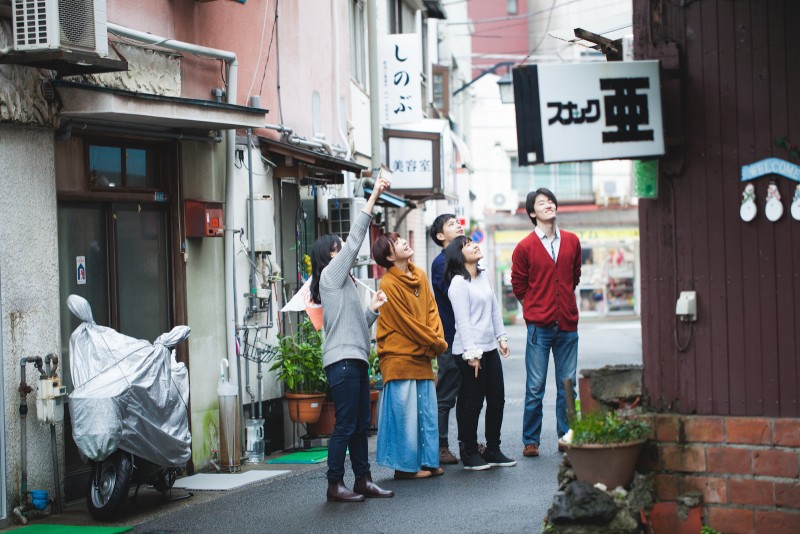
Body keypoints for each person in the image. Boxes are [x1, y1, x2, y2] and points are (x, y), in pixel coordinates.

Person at [311, 175, 394, 503]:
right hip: (342, 363)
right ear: (328, 257)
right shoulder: (331, 276)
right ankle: (334, 485)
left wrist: (371, 311)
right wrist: (373, 194)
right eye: (336, 250)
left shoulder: (344, 285)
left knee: (360, 424)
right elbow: (357, 237)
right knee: (346, 425)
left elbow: (354, 325)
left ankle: (363, 479)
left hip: (355, 359)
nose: (343, 254)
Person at [510, 188, 582, 458]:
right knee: (535, 387)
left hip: (567, 325)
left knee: (568, 385)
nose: (549, 205)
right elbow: (518, 284)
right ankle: (531, 440)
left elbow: (574, 276)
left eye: (550, 201)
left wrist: (562, 302)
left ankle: (567, 436)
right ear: (532, 212)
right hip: (539, 327)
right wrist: (533, 307)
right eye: (542, 203)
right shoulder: (525, 247)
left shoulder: (572, 241)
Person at [372, 232, 448, 479]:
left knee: (426, 411)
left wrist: (435, 341)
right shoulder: (387, 284)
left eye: (402, 238)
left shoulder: (421, 275)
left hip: (423, 353)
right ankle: (405, 468)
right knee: (404, 415)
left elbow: (432, 311)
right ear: (389, 256)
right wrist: (434, 343)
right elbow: (406, 323)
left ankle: (428, 461)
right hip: (399, 356)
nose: (404, 241)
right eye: (397, 242)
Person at [445, 236, 516, 470]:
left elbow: (495, 308)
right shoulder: (458, 283)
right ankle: (470, 451)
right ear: (458, 254)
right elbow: (462, 322)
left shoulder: (483, 275)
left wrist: (501, 337)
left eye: (473, 242)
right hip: (468, 351)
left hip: (489, 348)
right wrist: (472, 353)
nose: (474, 245)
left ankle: (493, 449)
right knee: (473, 402)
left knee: (497, 399)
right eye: (467, 245)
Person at [428, 214, 465, 464]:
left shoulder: (465, 258)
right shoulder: (442, 263)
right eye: (451, 224)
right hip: (451, 338)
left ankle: (468, 444)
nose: (458, 225)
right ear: (441, 236)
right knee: (446, 396)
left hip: (470, 338)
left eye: (457, 222)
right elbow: (457, 296)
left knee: (469, 395)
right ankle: (441, 446)